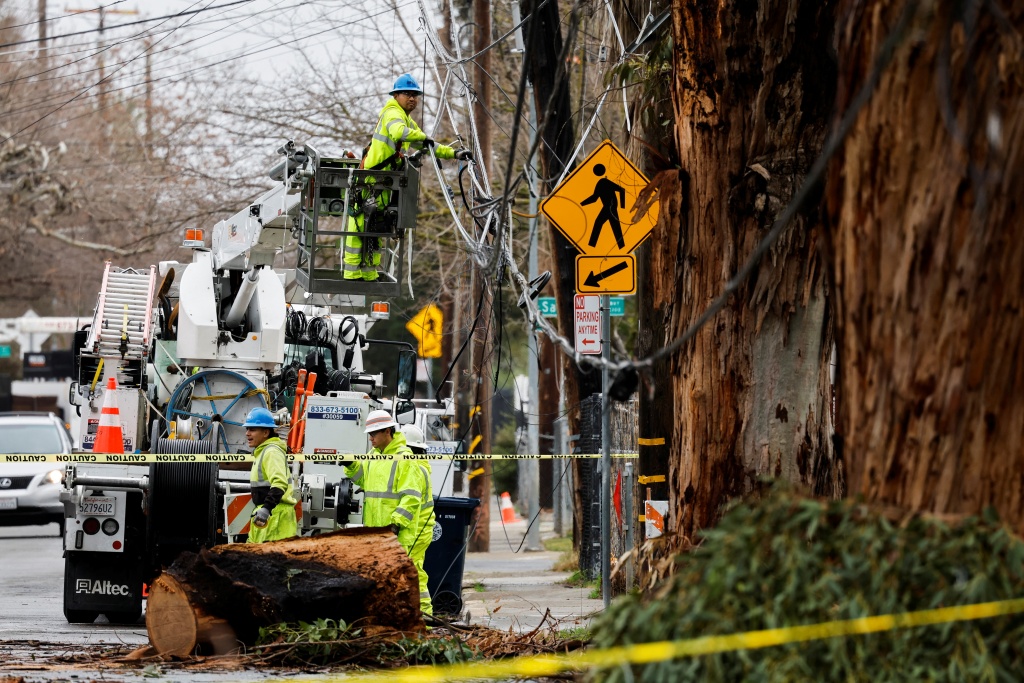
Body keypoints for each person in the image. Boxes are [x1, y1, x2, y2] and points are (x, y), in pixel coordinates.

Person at [343, 73, 474, 281]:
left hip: (384, 183)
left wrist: (454, 153)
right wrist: (424, 137)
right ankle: (351, 273)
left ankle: (368, 274)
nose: (412, 98)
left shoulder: (406, 119)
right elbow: (399, 133)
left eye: (415, 95)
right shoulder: (392, 113)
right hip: (369, 181)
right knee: (360, 226)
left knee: (377, 226)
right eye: (407, 94)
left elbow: (427, 145)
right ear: (396, 95)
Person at [346, 410, 436, 615]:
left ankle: (424, 620)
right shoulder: (374, 456)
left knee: (408, 575)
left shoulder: (404, 459)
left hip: (400, 532)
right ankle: (395, 620)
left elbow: (411, 497)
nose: (370, 438)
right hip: (379, 531)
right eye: (369, 434)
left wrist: (396, 524)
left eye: (374, 434)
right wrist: (350, 465)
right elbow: (362, 478)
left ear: (388, 432)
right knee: (385, 577)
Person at [244, 407, 297, 543]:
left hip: (275, 517)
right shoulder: (263, 452)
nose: (247, 433)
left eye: (252, 429)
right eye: (247, 429)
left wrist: (267, 508)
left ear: (266, 432)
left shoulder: (271, 452)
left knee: (271, 562)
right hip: (268, 515)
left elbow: (279, 484)